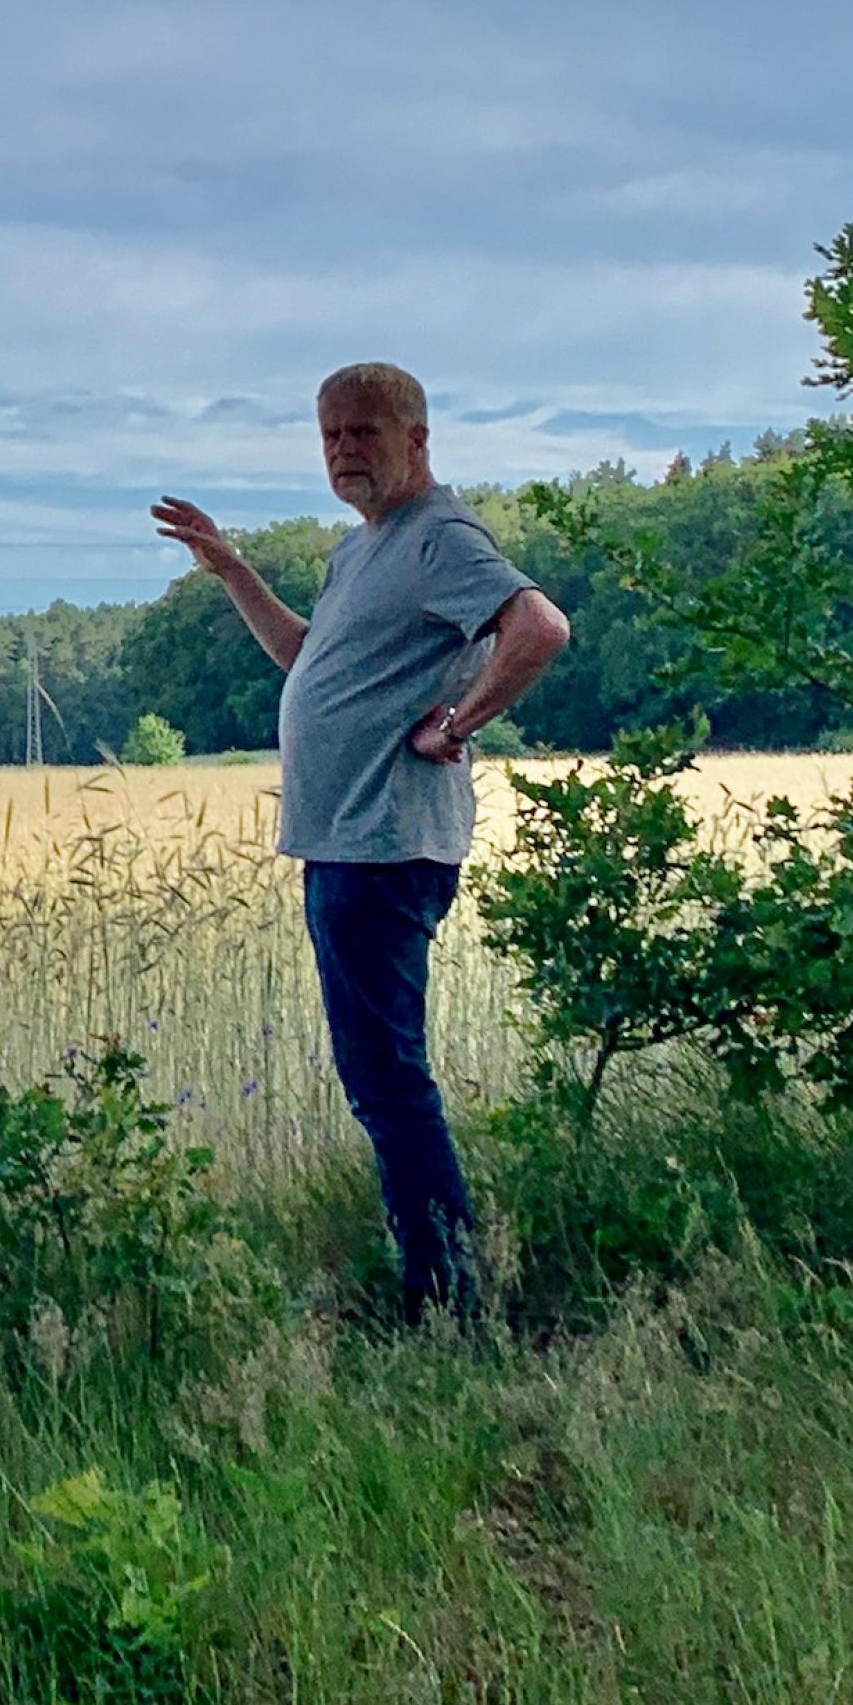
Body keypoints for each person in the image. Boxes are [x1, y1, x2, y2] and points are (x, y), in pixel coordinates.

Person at [151, 362, 570, 1323]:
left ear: (416, 438)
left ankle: (444, 1299)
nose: (345, 450)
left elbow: (537, 628)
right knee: (381, 1073)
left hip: (384, 849)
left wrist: (457, 724)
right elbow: (308, 657)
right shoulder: (362, 549)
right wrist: (231, 569)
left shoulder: (439, 538)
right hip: (345, 846)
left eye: (366, 432)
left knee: (385, 1079)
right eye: (332, 434)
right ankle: (437, 1277)